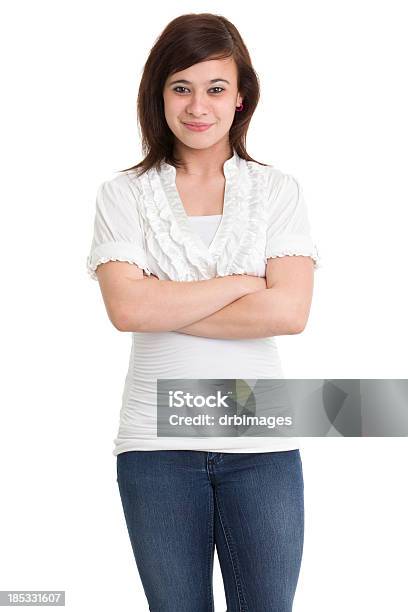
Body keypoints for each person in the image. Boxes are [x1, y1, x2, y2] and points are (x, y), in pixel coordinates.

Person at [86, 12, 320, 612]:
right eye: (181, 87)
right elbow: (127, 309)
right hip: (155, 445)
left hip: (261, 440)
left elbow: (289, 312)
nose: (198, 106)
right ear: (158, 95)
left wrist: (162, 300)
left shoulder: (278, 191)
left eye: (216, 88)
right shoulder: (124, 194)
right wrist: (243, 283)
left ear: (240, 98)